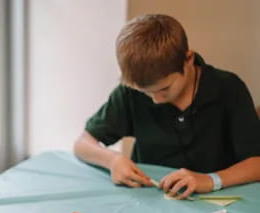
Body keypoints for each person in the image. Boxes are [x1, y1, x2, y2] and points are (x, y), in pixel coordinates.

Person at [74, 14, 260, 199]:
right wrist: (112, 160)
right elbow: (82, 143)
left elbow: (256, 163)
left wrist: (210, 180)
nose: (155, 99)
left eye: (164, 88)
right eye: (145, 92)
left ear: (188, 60)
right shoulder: (130, 93)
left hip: (218, 202)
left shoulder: (228, 89)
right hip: (150, 201)